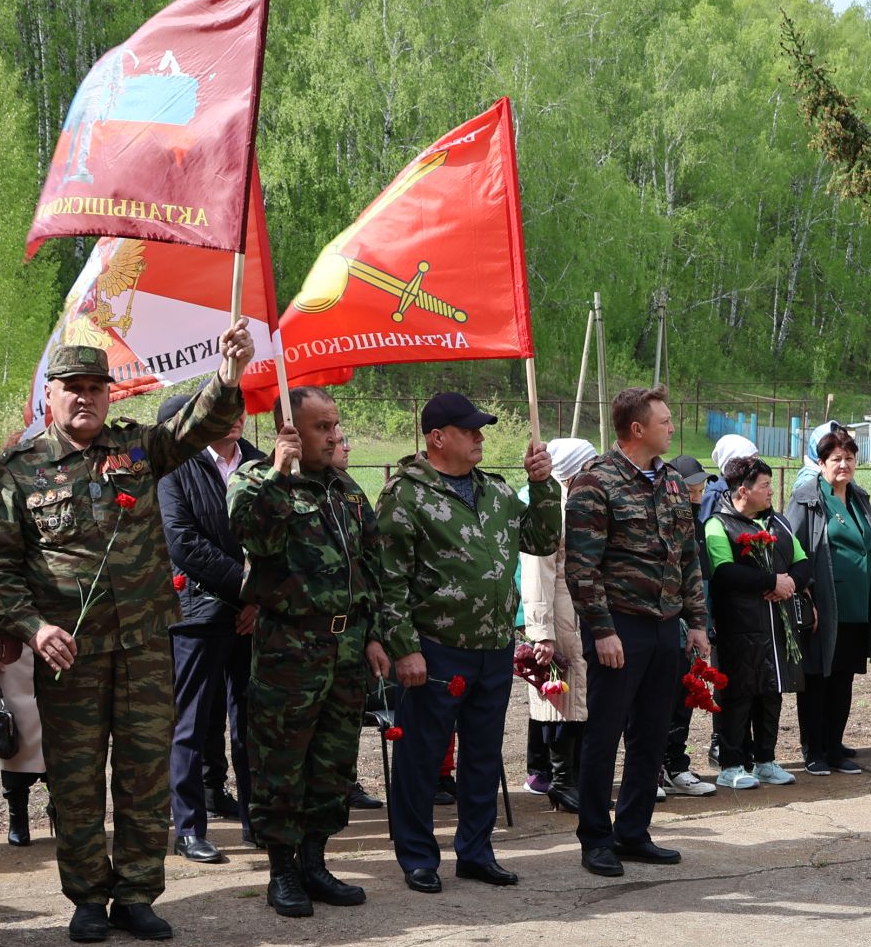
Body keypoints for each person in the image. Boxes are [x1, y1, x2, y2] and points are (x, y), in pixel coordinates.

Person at [0, 325, 252, 944]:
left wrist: (228, 375)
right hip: (68, 653)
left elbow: (198, 429)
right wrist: (33, 626)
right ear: (50, 396)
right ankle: (85, 896)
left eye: (96, 389)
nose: (86, 399)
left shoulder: (137, 449)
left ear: (110, 395)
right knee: (75, 781)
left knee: (143, 774)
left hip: (144, 646)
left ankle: (135, 892)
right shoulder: (20, 470)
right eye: (73, 388)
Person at [373, 394, 559, 893]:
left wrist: (543, 487)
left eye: (480, 430)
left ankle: (476, 850)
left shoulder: (496, 493)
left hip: (493, 645)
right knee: (422, 755)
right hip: (436, 647)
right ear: (437, 437)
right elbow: (389, 580)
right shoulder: (405, 495)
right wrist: (404, 647)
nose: (480, 437)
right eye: (470, 430)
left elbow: (541, 540)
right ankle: (417, 856)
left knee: (482, 755)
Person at [228, 385, 390, 917]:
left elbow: (371, 566)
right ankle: (282, 870)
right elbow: (254, 534)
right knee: (281, 760)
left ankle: (316, 862)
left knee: (333, 761)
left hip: (345, 646)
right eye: (323, 427)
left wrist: (373, 635)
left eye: (335, 424)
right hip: (289, 648)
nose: (335, 435)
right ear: (290, 430)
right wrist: (279, 473)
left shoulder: (345, 490)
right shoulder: (256, 481)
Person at [564, 385, 710, 877]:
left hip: (665, 624)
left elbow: (687, 555)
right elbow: (582, 567)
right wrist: (602, 631)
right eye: (665, 420)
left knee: (651, 734)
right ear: (637, 428)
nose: (672, 427)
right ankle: (595, 839)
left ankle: (633, 831)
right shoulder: (596, 482)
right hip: (619, 625)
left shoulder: (669, 481)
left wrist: (696, 622)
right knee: (604, 735)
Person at [157, 392, 263, 863]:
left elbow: (280, 534)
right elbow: (182, 542)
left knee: (251, 723)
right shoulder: (175, 466)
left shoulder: (261, 462)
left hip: (254, 615)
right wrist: (246, 587)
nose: (238, 417)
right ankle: (190, 827)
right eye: (226, 409)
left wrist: (260, 597)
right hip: (198, 614)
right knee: (193, 724)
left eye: (241, 410)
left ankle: (257, 821)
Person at [705, 455, 810, 788]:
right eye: (764, 485)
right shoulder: (718, 524)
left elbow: (802, 560)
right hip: (738, 626)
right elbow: (723, 572)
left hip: (776, 627)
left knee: (771, 692)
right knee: (738, 694)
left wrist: (790, 582)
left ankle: (766, 758)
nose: (770, 491)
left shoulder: (776, 523)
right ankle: (731, 764)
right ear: (742, 490)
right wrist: (770, 582)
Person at [785, 423, 871, 776]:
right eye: (836, 458)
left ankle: (835, 747)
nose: (844, 465)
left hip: (857, 607)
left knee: (843, 680)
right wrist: (806, 590)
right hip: (824, 607)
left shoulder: (859, 497)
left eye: (850, 458)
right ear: (822, 462)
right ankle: (814, 751)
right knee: (817, 681)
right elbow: (789, 547)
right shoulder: (807, 499)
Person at [521, 438, 598, 813]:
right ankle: (561, 780)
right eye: (589, 465)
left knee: (578, 698)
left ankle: (576, 778)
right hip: (559, 612)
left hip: (583, 612)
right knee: (560, 698)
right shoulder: (555, 512)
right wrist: (541, 630)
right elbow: (537, 571)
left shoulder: (585, 510)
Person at [659, 454, 718, 798]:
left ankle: (675, 764)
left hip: (695, 621)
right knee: (661, 699)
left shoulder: (696, 518)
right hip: (669, 620)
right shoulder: (668, 520)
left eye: (700, 486)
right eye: (690, 486)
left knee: (686, 697)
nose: (697, 492)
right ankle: (654, 768)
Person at [0, 648, 47, 846]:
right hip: (15, 643)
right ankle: (17, 816)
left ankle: (60, 809)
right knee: (16, 727)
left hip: (61, 631)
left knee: (61, 730)